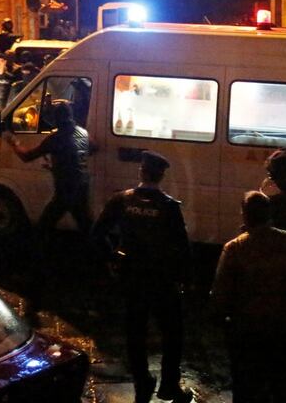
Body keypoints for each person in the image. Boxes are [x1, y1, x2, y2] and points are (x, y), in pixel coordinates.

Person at [90, 151, 194, 403]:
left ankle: (142, 382)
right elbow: (183, 249)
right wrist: (185, 279)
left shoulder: (121, 200)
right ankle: (169, 385)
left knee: (134, 332)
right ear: (161, 176)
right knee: (173, 332)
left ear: (141, 172)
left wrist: (113, 257)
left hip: (132, 278)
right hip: (162, 281)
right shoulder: (169, 207)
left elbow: (96, 234)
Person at [211, 191, 286, 403]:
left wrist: (223, 320)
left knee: (245, 385)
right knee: (280, 383)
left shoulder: (235, 247)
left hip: (245, 328)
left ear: (244, 215)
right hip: (280, 325)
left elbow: (220, 292)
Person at [5, 99, 91, 234]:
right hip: (82, 185)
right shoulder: (83, 133)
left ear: (57, 119)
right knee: (86, 224)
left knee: (45, 224)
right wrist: (60, 163)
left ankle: (39, 253)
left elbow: (27, 157)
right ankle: (102, 250)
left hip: (66, 188)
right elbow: (92, 147)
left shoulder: (55, 138)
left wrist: (14, 143)